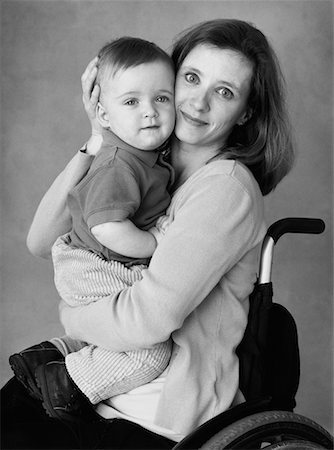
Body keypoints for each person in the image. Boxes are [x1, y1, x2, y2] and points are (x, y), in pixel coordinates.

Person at [1, 18, 294, 449]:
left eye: (225, 92)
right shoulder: (145, 160)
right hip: (108, 379)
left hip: (156, 414)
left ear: (246, 111)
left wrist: (71, 318)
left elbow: (151, 319)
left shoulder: (225, 188)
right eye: (191, 78)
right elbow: (42, 241)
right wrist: (99, 138)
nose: (198, 101)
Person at [9, 36, 176, 418]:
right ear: (103, 113)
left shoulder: (147, 157)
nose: (150, 112)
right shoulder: (119, 163)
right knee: (147, 351)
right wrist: (153, 243)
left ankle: (53, 354)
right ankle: (67, 383)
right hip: (94, 265)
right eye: (131, 102)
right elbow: (105, 227)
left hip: (97, 259)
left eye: (161, 99)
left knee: (127, 332)